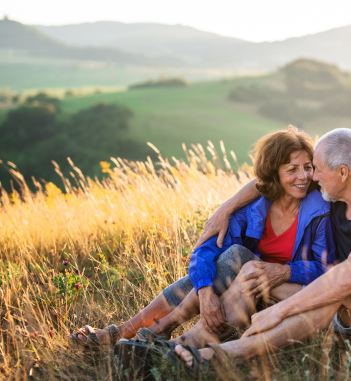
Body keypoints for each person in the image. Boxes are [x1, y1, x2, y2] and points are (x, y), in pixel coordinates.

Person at [162, 128, 351, 375]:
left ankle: (227, 354)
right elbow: (268, 179)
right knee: (255, 271)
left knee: (341, 283)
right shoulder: (335, 195)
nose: (312, 177)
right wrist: (226, 208)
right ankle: (180, 346)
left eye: (317, 170)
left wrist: (280, 310)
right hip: (341, 308)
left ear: (343, 172)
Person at [72, 126, 336, 349]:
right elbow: (206, 249)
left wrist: (284, 271)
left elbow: (328, 268)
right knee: (225, 262)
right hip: (238, 293)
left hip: (281, 295)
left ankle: (156, 332)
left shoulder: (320, 211)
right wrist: (206, 292)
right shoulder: (253, 208)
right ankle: (129, 332)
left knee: (240, 258)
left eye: (308, 168)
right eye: (292, 169)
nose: (303, 177)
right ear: (274, 172)